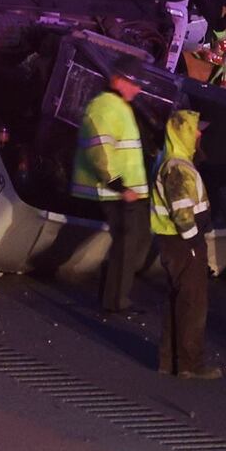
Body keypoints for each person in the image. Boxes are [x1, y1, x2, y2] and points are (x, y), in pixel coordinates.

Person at [73, 54, 152, 314]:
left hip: (125, 191)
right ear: (118, 80)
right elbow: (100, 153)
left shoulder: (117, 106)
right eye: (134, 83)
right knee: (127, 245)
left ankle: (113, 295)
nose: (138, 89)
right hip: (115, 192)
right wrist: (120, 186)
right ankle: (115, 301)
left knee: (131, 244)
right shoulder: (105, 107)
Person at [150, 108, 220, 379]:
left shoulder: (171, 161)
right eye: (195, 129)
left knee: (177, 302)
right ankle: (190, 364)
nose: (200, 133)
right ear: (183, 132)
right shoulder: (178, 167)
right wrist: (193, 242)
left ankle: (169, 361)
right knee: (192, 304)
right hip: (183, 243)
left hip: (174, 243)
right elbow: (182, 211)